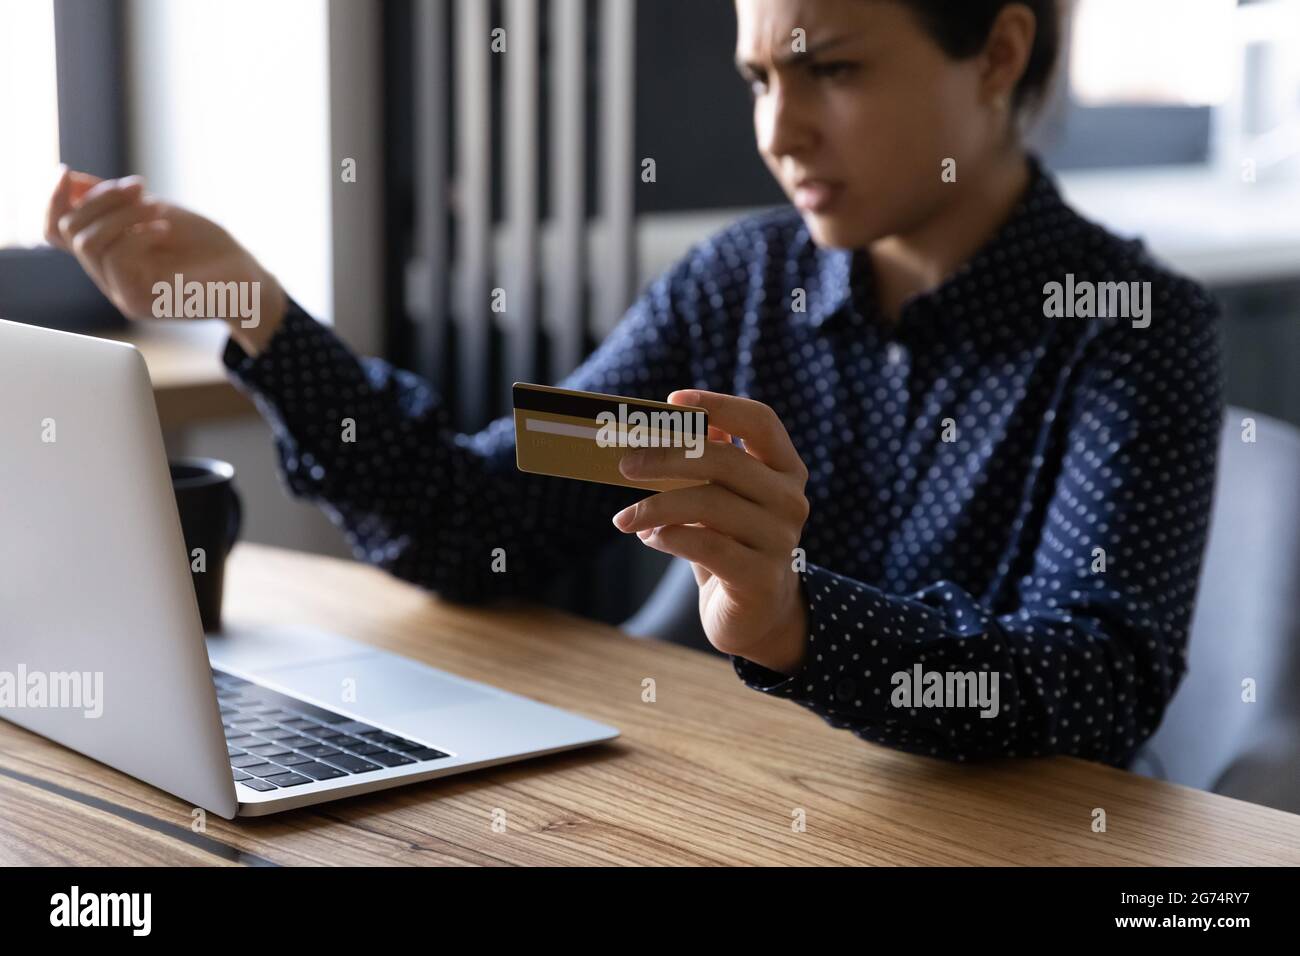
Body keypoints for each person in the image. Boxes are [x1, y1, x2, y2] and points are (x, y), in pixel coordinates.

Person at [43, 0, 1223, 766]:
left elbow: (1096, 682)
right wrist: (250, 307)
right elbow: (478, 517)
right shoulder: (738, 285)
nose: (780, 132)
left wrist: (796, 619)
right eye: (758, 79)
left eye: (831, 70)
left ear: (1000, 53)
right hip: (735, 805)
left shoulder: (1131, 327)